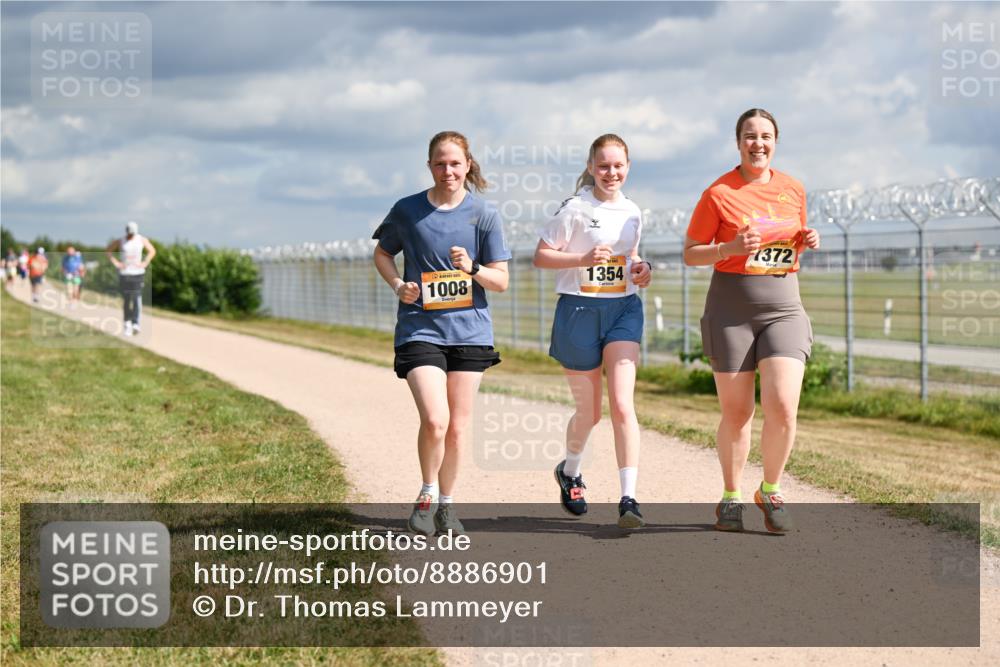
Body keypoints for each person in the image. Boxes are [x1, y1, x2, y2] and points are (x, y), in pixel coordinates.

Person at [683, 108, 820, 533]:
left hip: (784, 308)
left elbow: (790, 241)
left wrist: (807, 239)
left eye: (765, 136)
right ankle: (731, 496)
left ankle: (772, 489)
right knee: (738, 412)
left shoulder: (793, 188)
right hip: (732, 312)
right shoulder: (718, 193)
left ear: (775, 141)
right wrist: (730, 247)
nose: (758, 143)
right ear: (738, 142)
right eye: (749, 136)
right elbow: (690, 253)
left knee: (782, 406)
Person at [372, 131, 511, 536]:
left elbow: (500, 281)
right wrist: (399, 286)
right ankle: (427, 495)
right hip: (420, 328)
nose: (447, 170)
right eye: (439, 163)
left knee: (457, 426)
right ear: (429, 166)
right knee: (435, 420)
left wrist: (472, 268)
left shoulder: (483, 215)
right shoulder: (408, 210)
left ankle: (448, 507)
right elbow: (383, 253)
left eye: (455, 163)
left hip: (470, 333)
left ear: (468, 165)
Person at [533, 134, 652, 529]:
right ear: (590, 167)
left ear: (628, 167)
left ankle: (629, 498)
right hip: (579, 310)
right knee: (591, 412)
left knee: (622, 403)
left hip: (623, 310)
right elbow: (541, 256)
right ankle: (570, 472)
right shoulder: (575, 209)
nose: (611, 173)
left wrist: (642, 269)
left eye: (618, 166)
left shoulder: (634, 211)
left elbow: (631, 257)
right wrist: (582, 258)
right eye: (603, 166)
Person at [106, 221, 156, 336]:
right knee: (127, 299)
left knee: (137, 298)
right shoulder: (121, 240)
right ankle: (127, 322)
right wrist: (116, 263)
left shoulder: (141, 239)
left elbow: (152, 251)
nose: (131, 236)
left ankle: (136, 323)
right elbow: (108, 251)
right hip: (125, 273)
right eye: (129, 233)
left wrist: (145, 262)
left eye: (132, 234)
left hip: (138, 273)